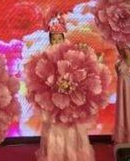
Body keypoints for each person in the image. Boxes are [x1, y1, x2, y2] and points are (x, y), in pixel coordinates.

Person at [37, 11, 95, 161]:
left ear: (63, 38)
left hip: (71, 99)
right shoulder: (45, 56)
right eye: (54, 38)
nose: (56, 41)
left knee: (71, 127)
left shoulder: (71, 54)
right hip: (53, 100)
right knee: (55, 127)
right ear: (50, 40)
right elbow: (41, 79)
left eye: (59, 38)